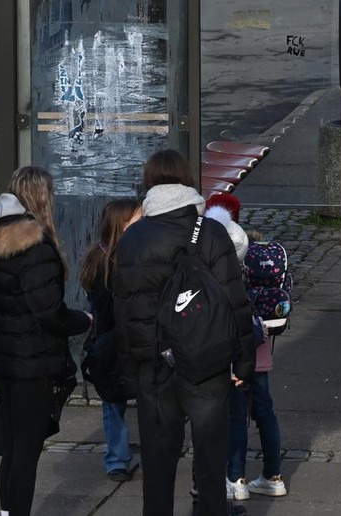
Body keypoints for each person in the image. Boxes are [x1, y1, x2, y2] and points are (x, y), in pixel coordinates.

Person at [115, 150, 257, 516]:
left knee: (158, 471)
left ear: (149, 183)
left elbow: (125, 310)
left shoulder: (133, 239)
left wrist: (132, 367)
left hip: (155, 368)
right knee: (210, 468)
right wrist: (243, 361)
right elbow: (234, 301)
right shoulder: (209, 232)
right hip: (207, 363)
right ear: (187, 182)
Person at [0, 165, 93, 516]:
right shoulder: (35, 247)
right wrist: (84, 320)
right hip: (33, 361)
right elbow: (49, 313)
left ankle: (7, 513)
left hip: (4, 357)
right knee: (27, 449)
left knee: (13, 445)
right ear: (41, 197)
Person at [78, 198, 142, 481]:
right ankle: (129, 457)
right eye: (137, 220)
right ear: (122, 226)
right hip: (126, 340)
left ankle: (116, 460)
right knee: (144, 397)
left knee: (112, 405)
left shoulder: (97, 258)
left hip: (105, 342)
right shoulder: (123, 262)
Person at [226, 224, 288, 502]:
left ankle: (235, 478)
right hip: (261, 356)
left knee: (237, 417)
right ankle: (273, 476)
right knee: (266, 413)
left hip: (237, 357)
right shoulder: (272, 274)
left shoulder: (234, 269)